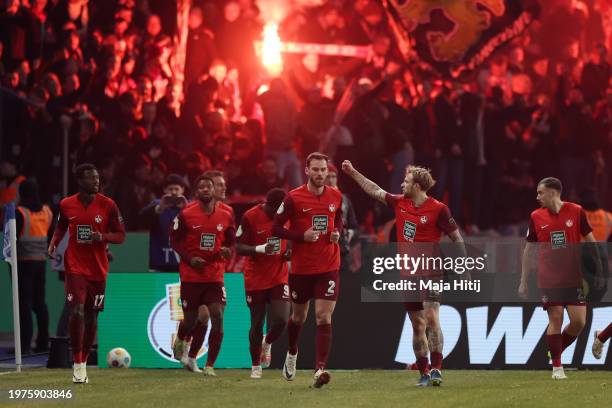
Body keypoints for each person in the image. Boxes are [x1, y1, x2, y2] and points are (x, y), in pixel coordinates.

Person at [342, 161, 464, 387]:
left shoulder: (439, 209)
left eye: (406, 181)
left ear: (417, 186)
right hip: (409, 273)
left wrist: (463, 265)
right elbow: (374, 189)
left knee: (431, 317)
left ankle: (437, 369)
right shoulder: (400, 202)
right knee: (417, 324)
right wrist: (352, 172)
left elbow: (457, 238)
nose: (401, 184)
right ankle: (424, 373)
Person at [518, 177, 604, 379]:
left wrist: (601, 270)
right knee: (556, 317)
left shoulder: (576, 211)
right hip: (549, 278)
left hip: (573, 278)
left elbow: (591, 242)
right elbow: (528, 250)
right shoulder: (536, 216)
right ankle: (557, 367)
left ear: (553, 192)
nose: (537, 196)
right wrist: (523, 281)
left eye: (540, 192)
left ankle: (554, 351)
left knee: (579, 322)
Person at [48, 163, 126, 384]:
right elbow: (62, 226)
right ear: (80, 181)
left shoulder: (108, 205)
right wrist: (54, 243)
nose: (97, 181)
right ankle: (78, 363)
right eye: (92, 178)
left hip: (98, 270)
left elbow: (121, 236)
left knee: (92, 316)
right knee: (78, 311)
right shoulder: (66, 204)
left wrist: (102, 237)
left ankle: (83, 357)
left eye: (98, 177)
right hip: (75, 267)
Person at [272, 152, 343, 388]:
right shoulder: (293, 198)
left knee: (323, 315)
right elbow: (276, 228)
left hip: (328, 266)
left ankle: (319, 369)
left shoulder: (336, 195)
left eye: (324, 170)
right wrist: (300, 236)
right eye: (316, 170)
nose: (321, 174)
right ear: (307, 171)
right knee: (299, 316)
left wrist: (337, 233)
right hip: (302, 269)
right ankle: (292, 352)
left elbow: (339, 218)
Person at [170, 175, 235, 376]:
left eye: (209, 186)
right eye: (201, 187)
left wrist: (226, 250)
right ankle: (181, 339)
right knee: (190, 321)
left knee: (216, 313)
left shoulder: (227, 213)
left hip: (215, 275)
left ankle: (208, 365)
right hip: (191, 275)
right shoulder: (186, 214)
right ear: (197, 192)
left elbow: (231, 240)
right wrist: (190, 259)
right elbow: (174, 241)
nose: (205, 189)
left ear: (215, 190)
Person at [236, 188, 290, 379]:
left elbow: (294, 237)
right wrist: (260, 249)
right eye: (276, 211)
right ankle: (255, 365)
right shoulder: (250, 216)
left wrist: (290, 250)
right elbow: (239, 246)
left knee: (282, 320)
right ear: (269, 205)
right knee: (257, 322)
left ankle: (267, 343)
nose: (279, 215)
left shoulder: (287, 214)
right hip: (256, 278)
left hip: (279, 275)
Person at [15, 179, 52, 354]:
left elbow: (13, 239)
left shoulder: (20, 212)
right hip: (41, 262)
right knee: (40, 304)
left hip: (23, 263)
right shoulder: (47, 212)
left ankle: (24, 345)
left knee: (25, 304)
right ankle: (43, 342)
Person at [139, 174, 189, 272]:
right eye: (170, 189)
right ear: (164, 190)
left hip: (184, 263)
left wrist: (186, 209)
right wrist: (159, 208)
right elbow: (140, 219)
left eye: (176, 189)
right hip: (159, 263)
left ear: (182, 190)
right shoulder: (157, 204)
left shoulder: (190, 206)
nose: (174, 192)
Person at [326, 164, 358, 274]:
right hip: (324, 248)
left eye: (333, 176)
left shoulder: (345, 199)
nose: (330, 180)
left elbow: (353, 225)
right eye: (328, 177)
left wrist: (349, 234)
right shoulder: (317, 199)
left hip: (342, 249)